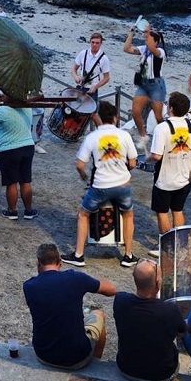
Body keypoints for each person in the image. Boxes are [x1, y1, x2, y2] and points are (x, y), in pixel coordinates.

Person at [64, 101, 139, 268]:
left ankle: (79, 255)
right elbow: (133, 162)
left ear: (97, 117)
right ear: (115, 117)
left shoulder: (91, 137)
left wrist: (84, 176)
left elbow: (80, 164)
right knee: (128, 214)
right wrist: (123, 171)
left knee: (83, 214)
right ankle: (128, 255)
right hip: (122, 185)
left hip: (100, 186)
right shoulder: (124, 135)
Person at [23, 243, 116, 370]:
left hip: (43, 354)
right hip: (77, 358)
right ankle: (94, 365)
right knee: (98, 314)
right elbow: (111, 290)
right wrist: (93, 281)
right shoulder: (75, 278)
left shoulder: (29, 286)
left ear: (38, 262)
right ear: (60, 262)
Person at [147, 92, 191, 253]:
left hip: (165, 179)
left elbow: (157, 156)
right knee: (177, 210)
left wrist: (148, 157)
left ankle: (166, 245)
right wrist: (189, 153)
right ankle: (179, 243)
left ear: (171, 108)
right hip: (186, 178)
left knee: (162, 212)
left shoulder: (162, 128)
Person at [114, 260, 185, 381]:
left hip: (125, 369)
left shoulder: (120, 300)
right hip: (161, 376)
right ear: (158, 283)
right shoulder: (170, 309)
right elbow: (182, 332)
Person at [0, 93, 37, 220]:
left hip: (9, 150)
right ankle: (28, 210)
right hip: (27, 147)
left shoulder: (3, 111)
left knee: (11, 183)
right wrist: (1, 97)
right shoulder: (27, 108)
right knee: (25, 181)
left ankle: (12, 211)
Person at [124, 27, 167, 153]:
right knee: (135, 112)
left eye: (149, 38)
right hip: (144, 84)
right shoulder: (144, 49)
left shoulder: (160, 51)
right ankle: (143, 136)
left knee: (158, 116)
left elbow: (153, 50)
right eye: (146, 38)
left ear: (156, 42)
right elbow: (126, 49)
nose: (146, 40)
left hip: (156, 85)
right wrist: (131, 34)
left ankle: (164, 137)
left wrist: (147, 32)